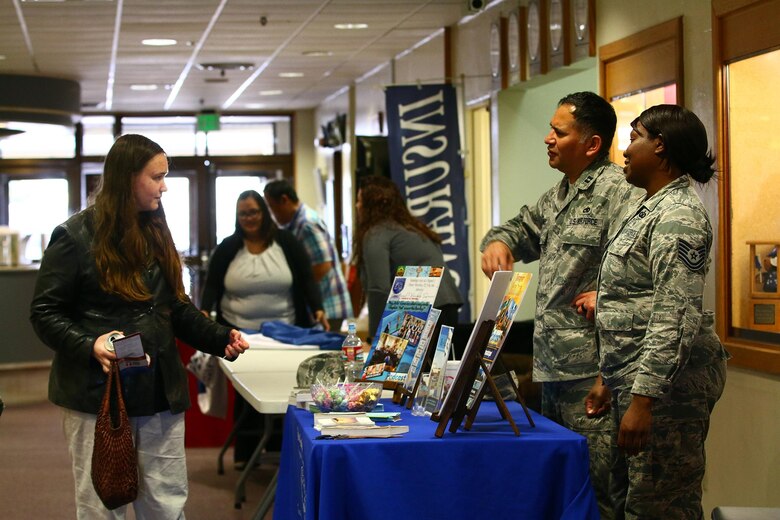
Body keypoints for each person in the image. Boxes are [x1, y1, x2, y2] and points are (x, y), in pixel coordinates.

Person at [29, 134, 249, 519]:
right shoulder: (74, 236)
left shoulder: (156, 227)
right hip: (96, 395)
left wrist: (219, 337)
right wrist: (89, 344)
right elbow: (45, 312)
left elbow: (174, 308)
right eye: (157, 176)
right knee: (102, 505)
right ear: (128, 178)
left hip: (158, 390)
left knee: (166, 502)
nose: (165, 186)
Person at [480, 91, 643, 519]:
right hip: (553, 368)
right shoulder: (559, 195)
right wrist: (497, 242)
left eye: (559, 131)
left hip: (594, 371)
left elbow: (638, 276)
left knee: (599, 494)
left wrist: (608, 372)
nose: (548, 139)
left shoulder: (620, 193)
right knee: (562, 489)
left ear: (591, 144)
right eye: (550, 130)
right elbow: (518, 229)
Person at [588, 105, 730, 518]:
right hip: (632, 381)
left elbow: (674, 316)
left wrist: (644, 400)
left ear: (661, 146)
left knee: (661, 505)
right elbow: (628, 303)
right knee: (631, 501)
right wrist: (607, 378)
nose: (626, 151)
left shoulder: (678, 216)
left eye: (635, 138)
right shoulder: (647, 206)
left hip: (668, 392)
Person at [200, 189, 326, 467]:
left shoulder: (286, 241)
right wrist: (204, 310)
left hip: (285, 333)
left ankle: (284, 453)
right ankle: (246, 454)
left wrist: (317, 308)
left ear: (264, 212)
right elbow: (212, 284)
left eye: (254, 212)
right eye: (243, 213)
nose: (249, 218)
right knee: (246, 393)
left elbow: (306, 278)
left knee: (283, 390)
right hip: (239, 333)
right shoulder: (228, 246)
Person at [353, 175, 463, 340]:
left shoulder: (376, 233)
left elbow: (379, 289)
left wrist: (375, 339)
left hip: (424, 309)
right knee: (436, 366)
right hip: (448, 306)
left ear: (369, 205)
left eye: (360, 200)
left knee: (404, 365)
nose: (357, 205)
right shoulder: (410, 229)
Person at [263, 179, 353, 331]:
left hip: (329, 307)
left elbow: (323, 265)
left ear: (284, 200)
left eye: (272, 207)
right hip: (321, 308)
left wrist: (300, 286)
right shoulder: (295, 223)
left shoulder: (306, 224)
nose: (272, 214)